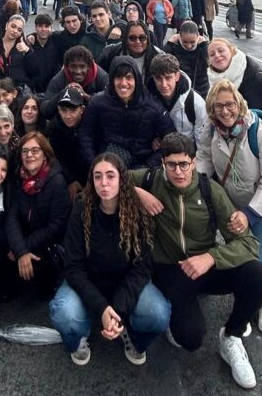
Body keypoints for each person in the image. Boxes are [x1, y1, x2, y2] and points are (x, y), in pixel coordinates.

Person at [133, 133, 262, 389]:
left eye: (184, 164)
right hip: (171, 269)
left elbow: (249, 244)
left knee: (258, 276)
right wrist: (138, 192)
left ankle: (231, 336)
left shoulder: (210, 190)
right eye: (171, 164)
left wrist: (211, 258)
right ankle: (176, 312)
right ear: (162, 164)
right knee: (190, 339)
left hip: (206, 264)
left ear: (193, 163)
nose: (178, 171)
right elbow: (105, 175)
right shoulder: (150, 179)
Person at [50, 153, 170, 367]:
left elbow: (142, 267)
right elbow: (73, 267)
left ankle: (130, 334)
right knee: (64, 314)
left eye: (110, 176)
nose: (103, 183)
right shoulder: (81, 208)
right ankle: (80, 336)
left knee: (159, 314)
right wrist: (103, 308)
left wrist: (119, 310)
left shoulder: (137, 211)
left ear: (122, 179)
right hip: (88, 280)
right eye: (97, 176)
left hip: (125, 282)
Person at [206, 37, 262, 302]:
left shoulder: (256, 78)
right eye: (212, 54)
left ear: (232, 52)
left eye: (221, 51)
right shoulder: (212, 84)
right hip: (238, 171)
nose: (217, 56)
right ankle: (259, 289)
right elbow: (205, 149)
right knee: (249, 241)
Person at [197, 81, 262, 335]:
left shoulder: (258, 132)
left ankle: (261, 299)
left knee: (255, 256)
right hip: (233, 204)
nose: (225, 111)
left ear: (239, 105)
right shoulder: (211, 129)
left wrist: (249, 215)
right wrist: (195, 185)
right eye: (219, 106)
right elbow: (204, 157)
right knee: (245, 255)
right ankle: (255, 297)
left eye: (230, 104)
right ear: (212, 109)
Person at [1, 132, 71, 297]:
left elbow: (56, 226)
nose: (29, 155)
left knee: (40, 277)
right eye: (25, 151)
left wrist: (25, 246)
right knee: (2, 241)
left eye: (35, 150)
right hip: (26, 236)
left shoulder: (56, 182)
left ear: (45, 154)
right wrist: (20, 250)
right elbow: (12, 216)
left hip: (48, 242)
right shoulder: (19, 177)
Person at [79, 56, 173, 170]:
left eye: (129, 77)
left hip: (140, 168)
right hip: (104, 164)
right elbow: (85, 135)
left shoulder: (153, 107)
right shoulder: (97, 103)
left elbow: (171, 141)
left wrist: (147, 167)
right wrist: (94, 164)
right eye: (118, 77)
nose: (123, 83)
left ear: (136, 79)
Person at [147, 53, 207, 146]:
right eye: (158, 78)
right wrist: (153, 138)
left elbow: (202, 142)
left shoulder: (196, 103)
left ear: (177, 76)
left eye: (168, 78)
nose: (164, 84)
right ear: (153, 78)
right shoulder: (147, 99)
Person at [41, 46, 109, 119]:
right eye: (73, 66)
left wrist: (86, 96)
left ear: (89, 66)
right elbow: (45, 110)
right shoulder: (59, 78)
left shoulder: (102, 77)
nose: (78, 71)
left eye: (82, 66)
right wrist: (63, 94)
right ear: (67, 67)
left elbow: (110, 105)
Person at [46, 86, 88, 199]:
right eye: (64, 110)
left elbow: (96, 153)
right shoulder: (54, 127)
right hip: (67, 174)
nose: (68, 116)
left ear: (82, 109)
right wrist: (71, 180)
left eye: (73, 110)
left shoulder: (91, 123)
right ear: (58, 109)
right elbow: (58, 157)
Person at [165, 21, 210, 97]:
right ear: (179, 37)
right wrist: (169, 43)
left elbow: (209, 63)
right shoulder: (174, 48)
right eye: (184, 42)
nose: (189, 46)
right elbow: (164, 64)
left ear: (198, 36)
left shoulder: (203, 48)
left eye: (192, 42)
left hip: (202, 92)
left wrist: (205, 45)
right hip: (181, 93)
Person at [22, 12, 61, 92]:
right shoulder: (29, 44)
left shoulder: (56, 41)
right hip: (33, 88)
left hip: (52, 87)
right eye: (40, 26)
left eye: (47, 26)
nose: (43, 29)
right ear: (35, 27)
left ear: (51, 28)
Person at [0, 13, 31, 83]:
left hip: (16, 88)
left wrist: (28, 51)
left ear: (21, 33)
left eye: (19, 30)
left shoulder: (24, 47)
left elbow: (34, 69)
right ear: (6, 25)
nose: (15, 31)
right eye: (13, 26)